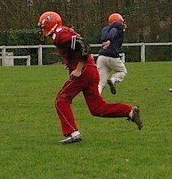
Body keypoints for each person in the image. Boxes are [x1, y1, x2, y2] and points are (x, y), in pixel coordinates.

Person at [38, 11, 142, 144]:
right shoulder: (62, 32)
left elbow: (84, 46)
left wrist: (78, 68)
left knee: (61, 100)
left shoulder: (60, 35)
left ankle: (72, 132)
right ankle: (129, 111)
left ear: (49, 24)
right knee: (97, 108)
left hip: (84, 71)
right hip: (91, 70)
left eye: (42, 26)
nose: (41, 30)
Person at [97, 13, 127, 95]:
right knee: (123, 71)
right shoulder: (116, 28)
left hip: (101, 57)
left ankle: (96, 98)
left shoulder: (105, 29)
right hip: (112, 56)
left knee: (100, 82)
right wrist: (109, 40)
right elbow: (113, 32)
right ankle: (113, 80)